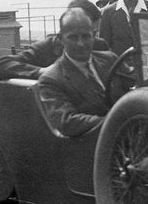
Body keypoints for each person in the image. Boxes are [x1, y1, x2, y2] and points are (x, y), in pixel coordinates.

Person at [36, 8, 123, 137]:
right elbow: (67, 122)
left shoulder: (110, 59)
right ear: (61, 39)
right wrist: (118, 122)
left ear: (94, 35)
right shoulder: (51, 79)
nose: (80, 44)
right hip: (93, 147)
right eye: (73, 37)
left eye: (86, 36)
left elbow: (136, 88)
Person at [0, 0, 109, 80]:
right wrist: (43, 72)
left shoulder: (100, 46)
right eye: (74, 36)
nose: (81, 44)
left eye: (89, 35)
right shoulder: (47, 48)